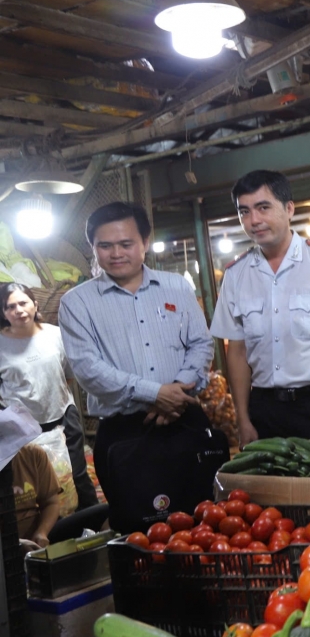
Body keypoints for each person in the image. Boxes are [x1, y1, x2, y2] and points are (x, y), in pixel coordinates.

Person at [59, 202, 218, 533]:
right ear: (93, 248)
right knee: (138, 534)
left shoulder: (176, 286)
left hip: (185, 422)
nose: (116, 253)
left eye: (126, 244)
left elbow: (202, 344)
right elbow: (88, 369)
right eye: (105, 245)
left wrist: (177, 392)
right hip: (125, 434)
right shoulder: (77, 303)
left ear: (145, 242)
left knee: (208, 522)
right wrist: (157, 394)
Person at [211, 170, 310, 444]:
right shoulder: (236, 275)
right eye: (245, 212)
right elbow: (236, 351)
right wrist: (243, 417)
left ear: (289, 209)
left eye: (263, 208)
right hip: (265, 408)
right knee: (272, 488)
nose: (254, 220)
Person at [0, 283, 97, 509]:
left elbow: (68, 376)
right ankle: (48, 533)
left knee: (76, 474)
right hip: (21, 428)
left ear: (35, 305)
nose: (19, 310)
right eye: (10, 306)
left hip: (63, 415)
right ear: (3, 313)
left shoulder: (56, 334)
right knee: (34, 485)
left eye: (23, 303)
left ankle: (93, 524)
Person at [10, 443, 59, 549]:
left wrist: (42, 532)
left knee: (100, 515)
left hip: (35, 538)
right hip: (5, 547)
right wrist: (15, 543)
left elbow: (51, 502)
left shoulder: (33, 453)